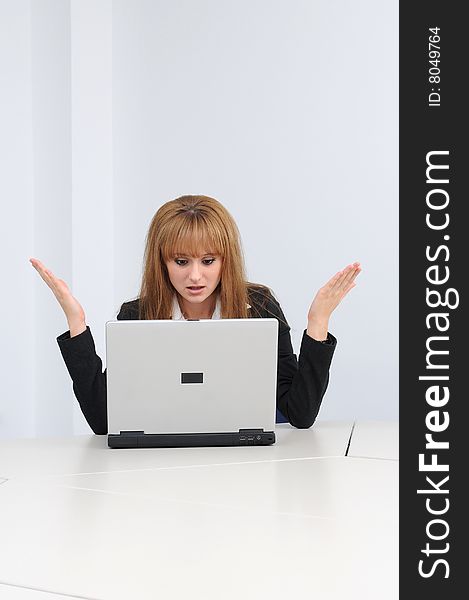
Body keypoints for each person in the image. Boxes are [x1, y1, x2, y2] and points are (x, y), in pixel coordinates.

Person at [30, 195, 361, 434]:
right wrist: (76, 324)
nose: (195, 277)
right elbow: (103, 421)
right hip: (161, 460)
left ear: (225, 260)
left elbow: (299, 414)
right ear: (162, 262)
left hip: (248, 461)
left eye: (208, 261)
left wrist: (318, 324)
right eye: (181, 261)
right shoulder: (138, 314)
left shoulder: (258, 306)